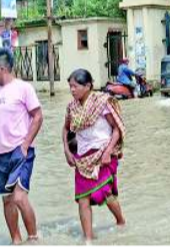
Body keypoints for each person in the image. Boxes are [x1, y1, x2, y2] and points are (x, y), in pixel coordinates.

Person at [0, 48, 44, 245]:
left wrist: (25, 144)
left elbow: (37, 116)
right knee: (7, 199)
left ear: (2, 68)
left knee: (19, 197)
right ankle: (16, 241)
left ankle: (33, 239)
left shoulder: (23, 88)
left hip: (20, 151)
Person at [63, 69, 127, 243]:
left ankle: (121, 222)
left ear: (88, 86)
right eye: (70, 87)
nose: (72, 90)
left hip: (104, 153)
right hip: (83, 158)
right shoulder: (72, 107)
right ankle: (88, 239)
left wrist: (107, 152)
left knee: (105, 192)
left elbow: (117, 129)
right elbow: (66, 129)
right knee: (82, 198)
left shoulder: (102, 102)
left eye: (75, 86)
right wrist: (67, 151)